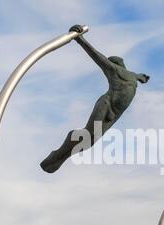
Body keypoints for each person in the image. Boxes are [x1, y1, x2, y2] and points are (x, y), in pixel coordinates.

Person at [40, 25, 150, 173]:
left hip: (114, 115)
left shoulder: (132, 75)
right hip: (106, 105)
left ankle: (61, 157)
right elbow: (97, 56)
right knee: (87, 133)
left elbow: (138, 75)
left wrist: (142, 77)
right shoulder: (113, 70)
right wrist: (80, 39)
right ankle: (58, 154)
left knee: (89, 142)